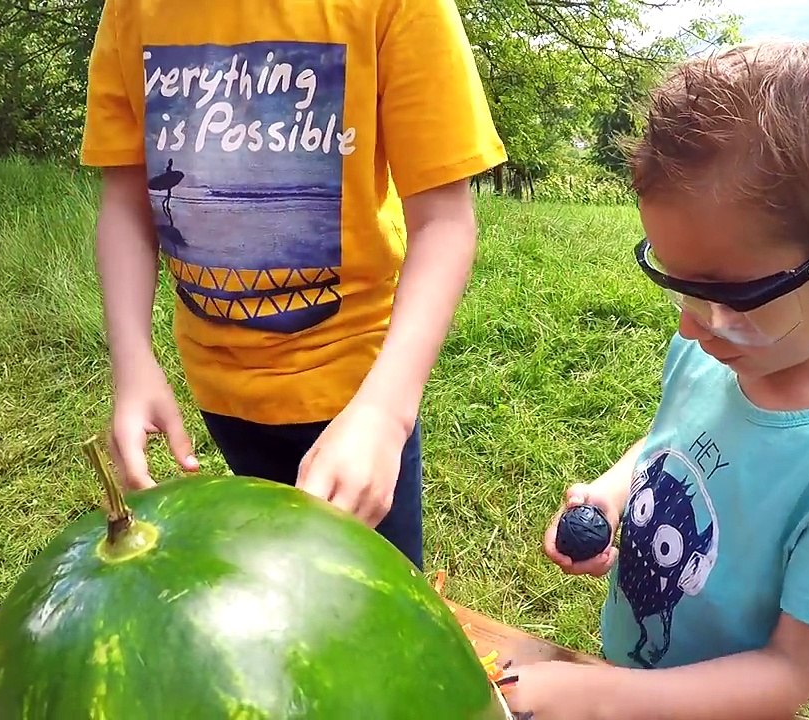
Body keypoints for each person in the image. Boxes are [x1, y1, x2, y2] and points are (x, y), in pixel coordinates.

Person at [507, 40, 809, 719]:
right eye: (680, 288)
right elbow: (669, 440)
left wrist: (603, 698)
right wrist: (611, 494)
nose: (696, 327)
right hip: (630, 679)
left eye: (731, 295)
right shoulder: (722, 351)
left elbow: (788, 674)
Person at [79, 0, 506, 569]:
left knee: (369, 606)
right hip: (217, 388)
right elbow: (126, 202)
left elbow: (445, 223)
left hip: (358, 391)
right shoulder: (131, 11)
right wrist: (132, 360)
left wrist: (386, 413)